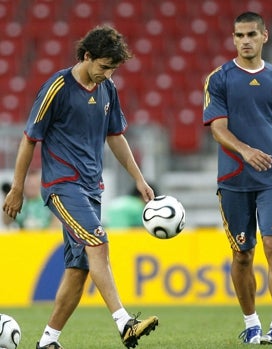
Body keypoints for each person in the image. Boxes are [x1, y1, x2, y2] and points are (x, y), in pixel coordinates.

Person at [2, 25, 158, 349]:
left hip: (91, 188)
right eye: (103, 66)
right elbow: (30, 140)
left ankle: (48, 341)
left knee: (79, 268)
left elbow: (116, 136)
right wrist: (17, 188)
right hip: (61, 186)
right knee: (98, 243)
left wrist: (139, 179)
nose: (107, 73)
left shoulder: (108, 89)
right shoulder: (56, 88)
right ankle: (124, 323)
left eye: (113, 68)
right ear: (86, 56)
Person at [203, 12, 272, 345]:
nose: (245, 41)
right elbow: (217, 127)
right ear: (233, 38)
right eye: (239, 35)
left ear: (264, 36)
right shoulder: (220, 78)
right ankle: (252, 322)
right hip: (234, 179)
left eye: (251, 35)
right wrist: (245, 151)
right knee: (242, 254)